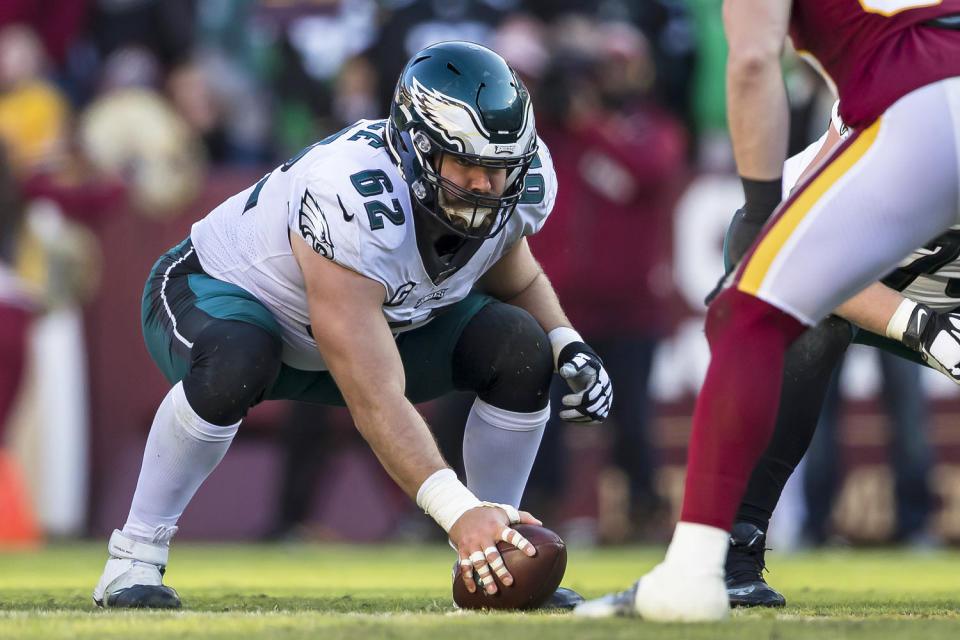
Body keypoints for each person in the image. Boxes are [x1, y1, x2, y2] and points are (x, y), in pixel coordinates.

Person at [93, 41, 613, 609]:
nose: (488, 186)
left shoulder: (515, 180)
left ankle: (491, 565)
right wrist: (457, 510)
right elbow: (374, 396)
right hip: (221, 295)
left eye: (499, 168)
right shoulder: (349, 192)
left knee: (520, 346)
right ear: (418, 148)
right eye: (469, 165)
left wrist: (567, 341)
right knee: (239, 358)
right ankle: (133, 560)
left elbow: (513, 272)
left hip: (374, 323)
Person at [576, 0, 960, 621]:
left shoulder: (896, 85)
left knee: (751, 306)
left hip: (914, 104)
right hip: (919, 266)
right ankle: (739, 542)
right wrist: (921, 327)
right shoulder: (858, 118)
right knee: (783, 291)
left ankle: (697, 569)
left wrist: (759, 223)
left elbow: (753, 61)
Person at [723, 106, 953, 607]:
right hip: (806, 254)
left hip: (937, 282)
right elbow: (799, 247)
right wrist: (923, 328)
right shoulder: (898, 90)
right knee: (814, 332)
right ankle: (736, 547)